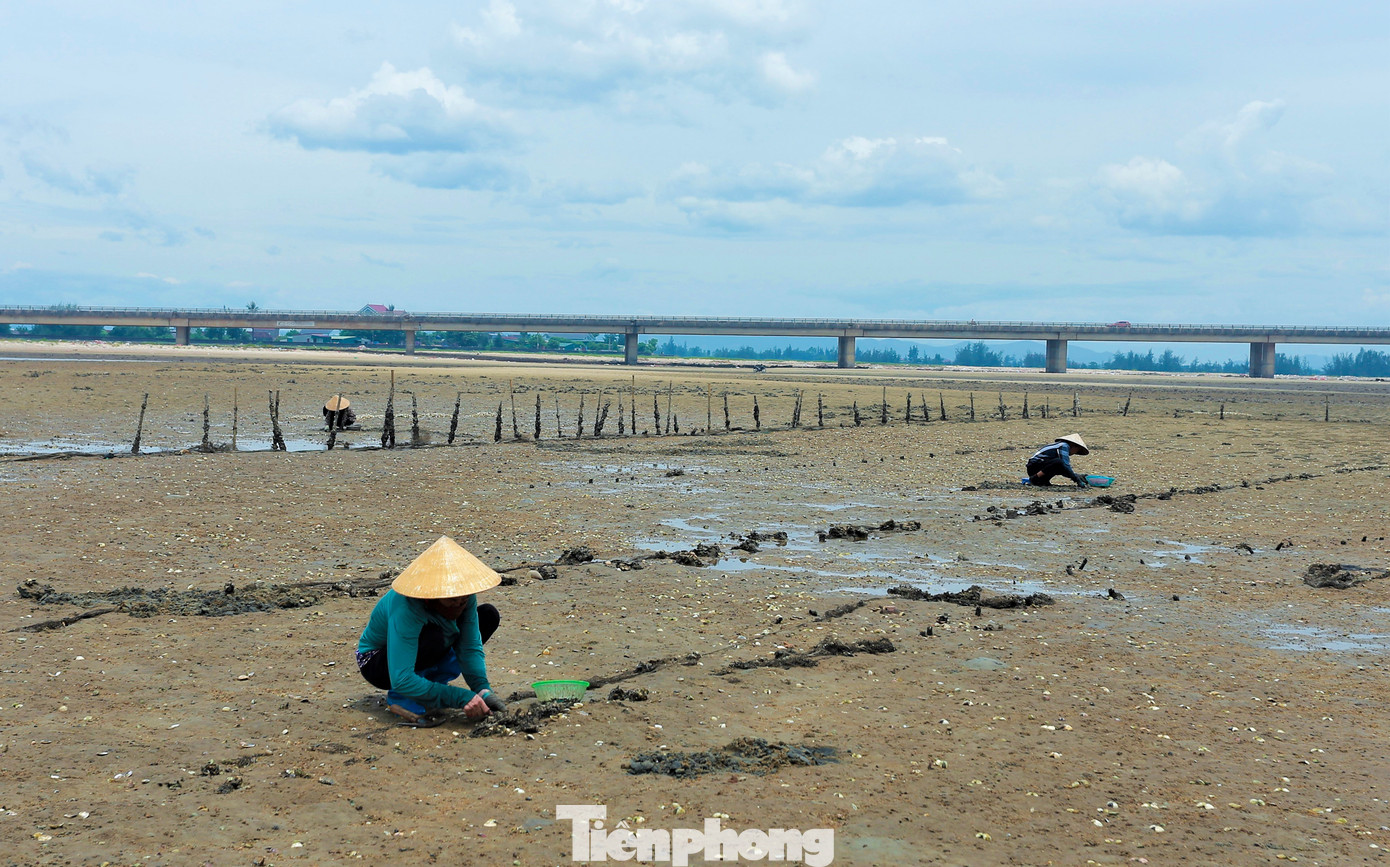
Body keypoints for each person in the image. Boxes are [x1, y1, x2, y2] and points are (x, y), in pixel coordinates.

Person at [357, 536, 506, 725]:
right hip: (377, 662)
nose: (459, 605)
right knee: (434, 637)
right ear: (433, 596)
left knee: (487, 615)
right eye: (452, 601)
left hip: (431, 643)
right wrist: (460, 697)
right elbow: (401, 678)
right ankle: (408, 696)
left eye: (463, 600)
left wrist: (482, 690)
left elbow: (469, 647)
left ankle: (431, 686)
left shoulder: (464, 595)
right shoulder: (407, 605)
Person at [1026, 434, 1090, 487]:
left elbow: (1064, 469)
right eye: (1077, 450)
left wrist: (1076, 476)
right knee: (1058, 462)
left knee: (1060, 466)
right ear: (1074, 446)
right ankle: (1035, 478)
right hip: (1034, 467)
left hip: (1041, 466)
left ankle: (1043, 481)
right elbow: (1066, 464)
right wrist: (1076, 479)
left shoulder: (1059, 446)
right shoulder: (1064, 445)